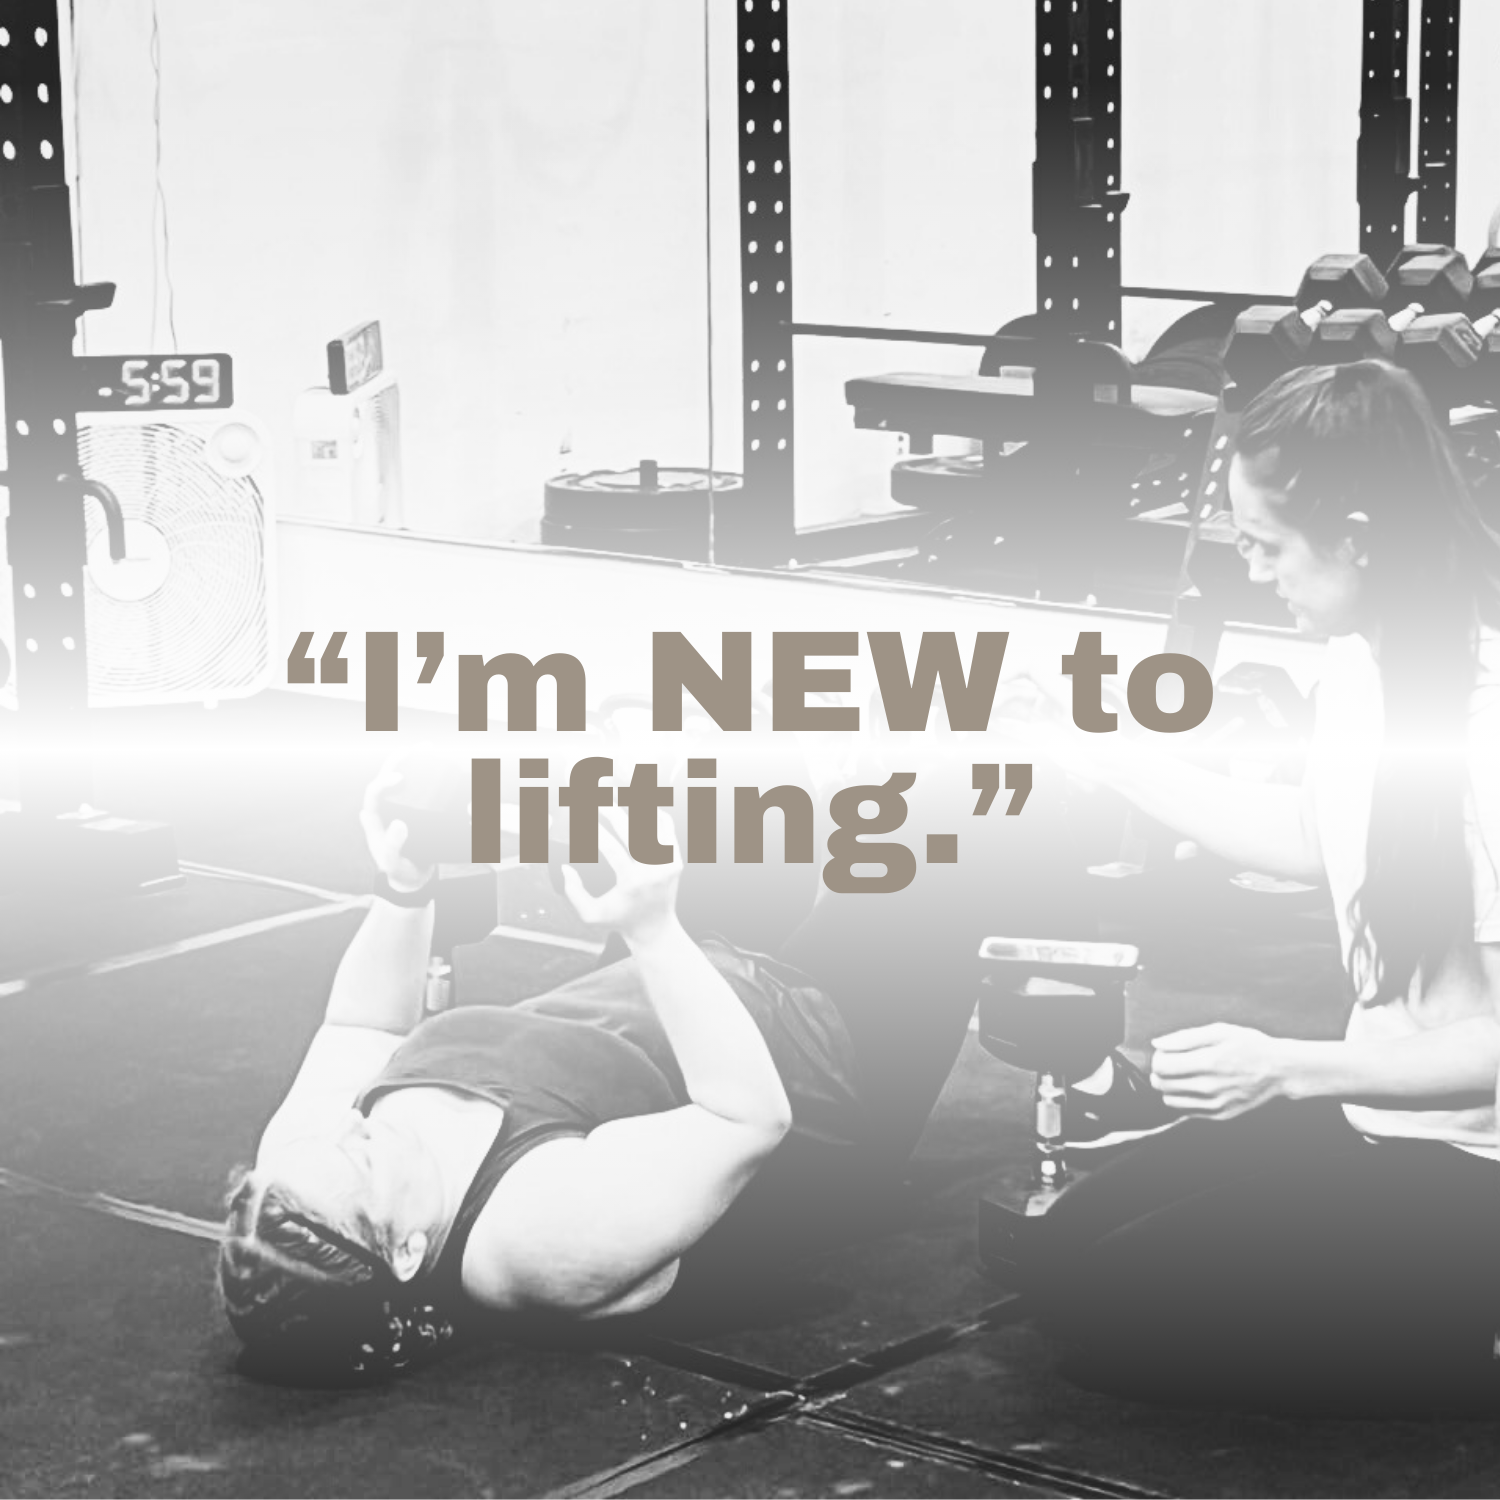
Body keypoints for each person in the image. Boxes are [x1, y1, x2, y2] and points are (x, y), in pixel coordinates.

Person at [217, 746, 1082, 1383]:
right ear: (408, 1253)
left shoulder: (304, 1168)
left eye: (323, 1143)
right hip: (818, 1050)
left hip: (670, 982)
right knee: (972, 793)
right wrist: (654, 928)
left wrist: (404, 886)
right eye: (360, 1160)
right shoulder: (534, 1240)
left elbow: (360, 1023)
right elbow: (747, 1118)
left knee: (731, 773)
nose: (347, 1129)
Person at [1026, 358, 1500, 1413]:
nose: (1255, 571)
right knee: (1065, 1262)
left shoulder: (1485, 735)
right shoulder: (1364, 666)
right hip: (1375, 1108)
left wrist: (1285, 1067)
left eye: (1267, 546)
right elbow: (1314, 835)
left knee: (1112, 1318)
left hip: (1475, 1169)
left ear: (1360, 538)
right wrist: (1109, 756)